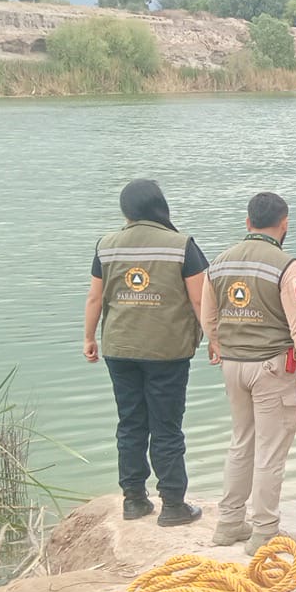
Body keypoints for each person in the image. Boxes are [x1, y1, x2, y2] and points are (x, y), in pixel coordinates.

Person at [201, 192, 296, 555]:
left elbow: (208, 316)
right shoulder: (288, 267)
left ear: (248, 222)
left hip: (233, 366)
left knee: (241, 443)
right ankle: (265, 531)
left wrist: (217, 342)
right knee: (270, 452)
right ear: (284, 223)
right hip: (272, 369)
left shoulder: (219, 263)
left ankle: (229, 524)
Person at [83, 179, 208, 526]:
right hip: (167, 351)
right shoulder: (181, 245)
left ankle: (134, 501)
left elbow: (94, 298)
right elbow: (200, 300)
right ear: (160, 206)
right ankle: (173, 505)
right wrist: (216, 340)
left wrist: (89, 338)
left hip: (119, 349)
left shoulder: (106, 245)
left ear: (126, 210)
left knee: (130, 423)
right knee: (166, 427)